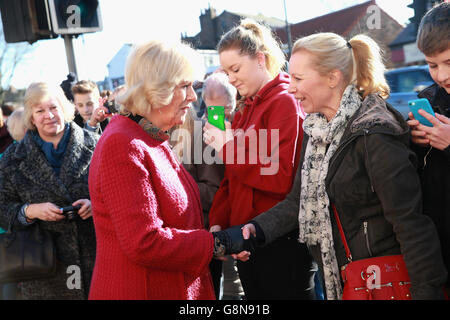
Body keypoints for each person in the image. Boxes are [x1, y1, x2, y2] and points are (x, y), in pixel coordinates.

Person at [230, 32, 448, 300]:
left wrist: (428, 292)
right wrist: (256, 229)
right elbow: (297, 201)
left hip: (385, 284)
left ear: (332, 78)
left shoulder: (374, 131)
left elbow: (410, 223)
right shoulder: (315, 130)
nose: (290, 87)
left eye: (298, 79)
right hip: (347, 281)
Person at [88, 39, 231, 300]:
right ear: (156, 89)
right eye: (185, 86)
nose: (192, 96)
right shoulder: (123, 143)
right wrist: (217, 244)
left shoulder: (149, 136)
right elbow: (144, 242)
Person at [203, 19, 316, 300]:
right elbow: (234, 178)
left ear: (260, 60)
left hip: (280, 243)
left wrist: (228, 148)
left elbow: (280, 178)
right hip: (249, 243)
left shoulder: (285, 102)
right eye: (226, 71)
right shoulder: (246, 108)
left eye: (236, 69)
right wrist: (219, 222)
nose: (231, 79)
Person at [0, 82, 98, 300]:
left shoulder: (97, 146)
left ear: (64, 108)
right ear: (31, 117)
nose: (48, 115)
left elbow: (119, 196)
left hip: (97, 263)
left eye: (53, 107)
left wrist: (96, 205)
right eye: (40, 110)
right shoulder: (12, 159)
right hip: (43, 275)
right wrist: (30, 211)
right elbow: (2, 207)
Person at [407, 2, 450, 296]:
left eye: (449, 63)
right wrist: (415, 145)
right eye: (432, 65)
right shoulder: (430, 98)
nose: (441, 76)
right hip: (440, 251)